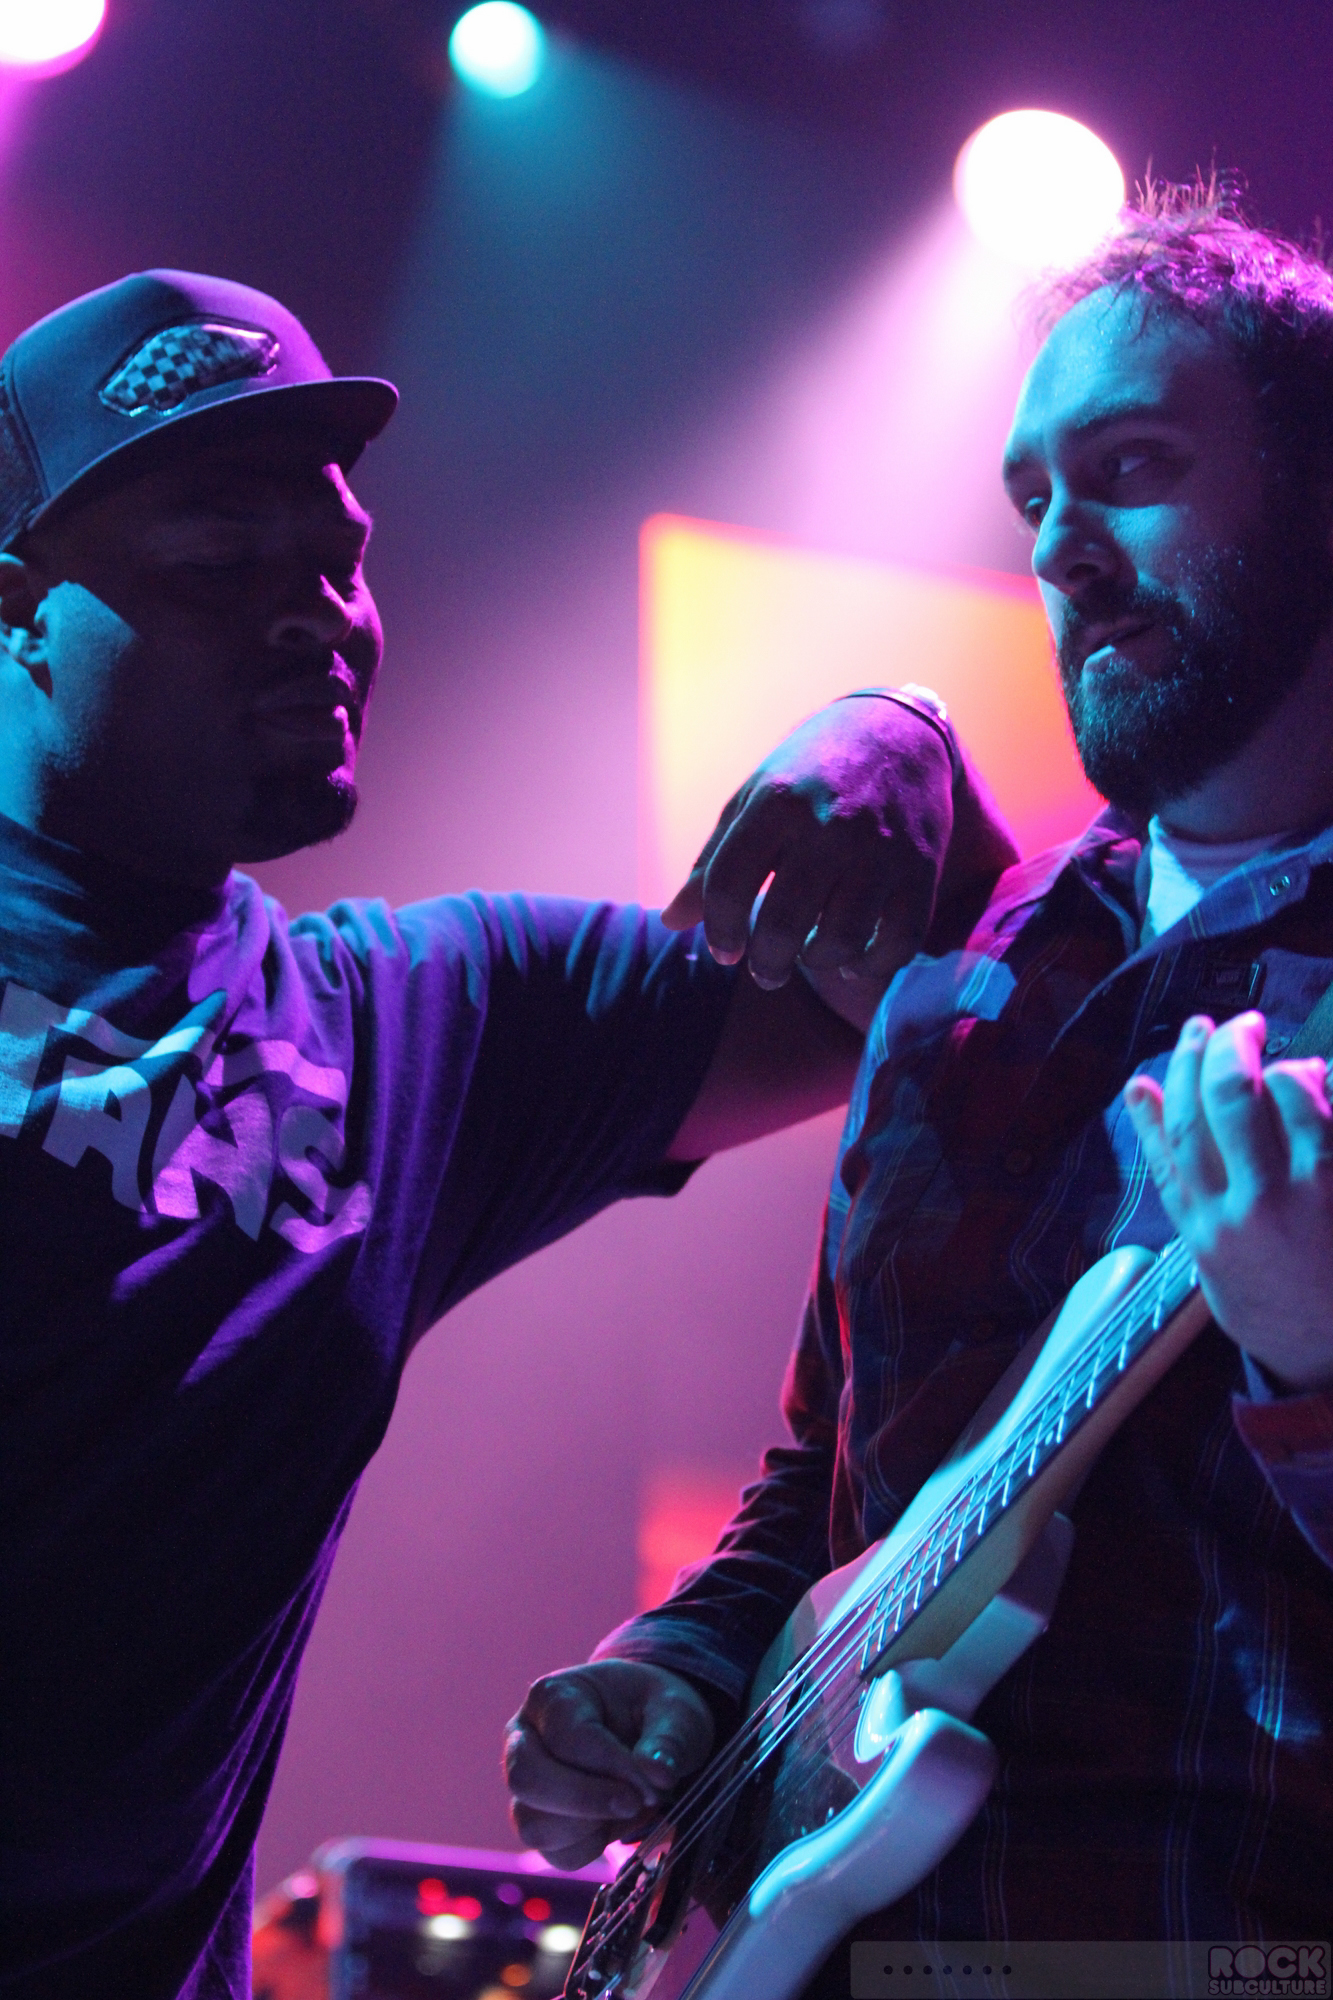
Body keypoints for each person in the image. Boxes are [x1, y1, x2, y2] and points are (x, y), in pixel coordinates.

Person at [0, 269, 1018, 1998]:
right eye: (222, 563)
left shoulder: (414, 1024)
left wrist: (900, 741)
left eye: (338, 559)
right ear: (17, 608)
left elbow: (976, 1003)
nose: (318, 616)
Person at [504, 181, 1333, 1980]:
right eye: (1032, 499)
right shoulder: (970, 980)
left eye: (1132, 467)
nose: (1062, 549)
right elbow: (832, 1486)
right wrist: (682, 1674)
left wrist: (1318, 1364)